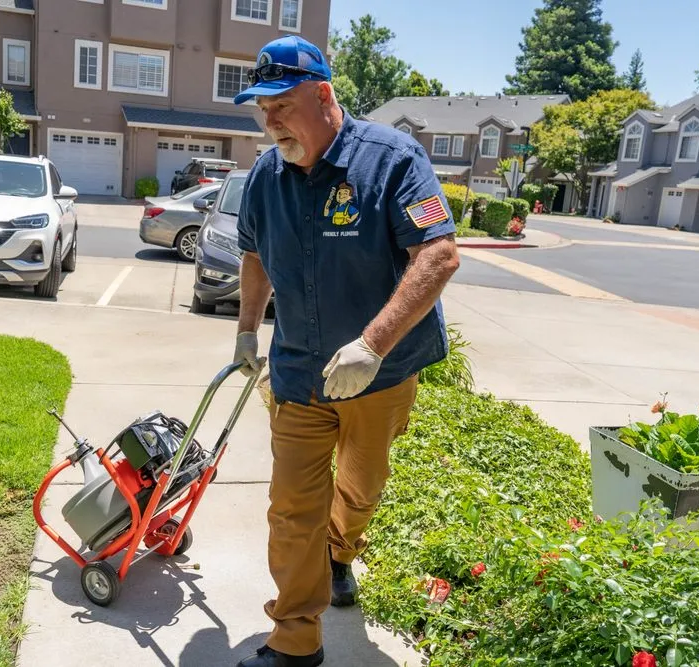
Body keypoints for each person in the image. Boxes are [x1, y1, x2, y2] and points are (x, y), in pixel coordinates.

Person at [231, 35, 461, 667]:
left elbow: (438, 255)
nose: (269, 121)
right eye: (261, 108)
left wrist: (372, 344)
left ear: (324, 95)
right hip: (299, 371)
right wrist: (249, 329)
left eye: (280, 105)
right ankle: (295, 639)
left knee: (360, 486)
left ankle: (341, 551)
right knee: (291, 506)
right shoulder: (265, 176)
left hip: (378, 376)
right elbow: (253, 252)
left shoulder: (391, 160)